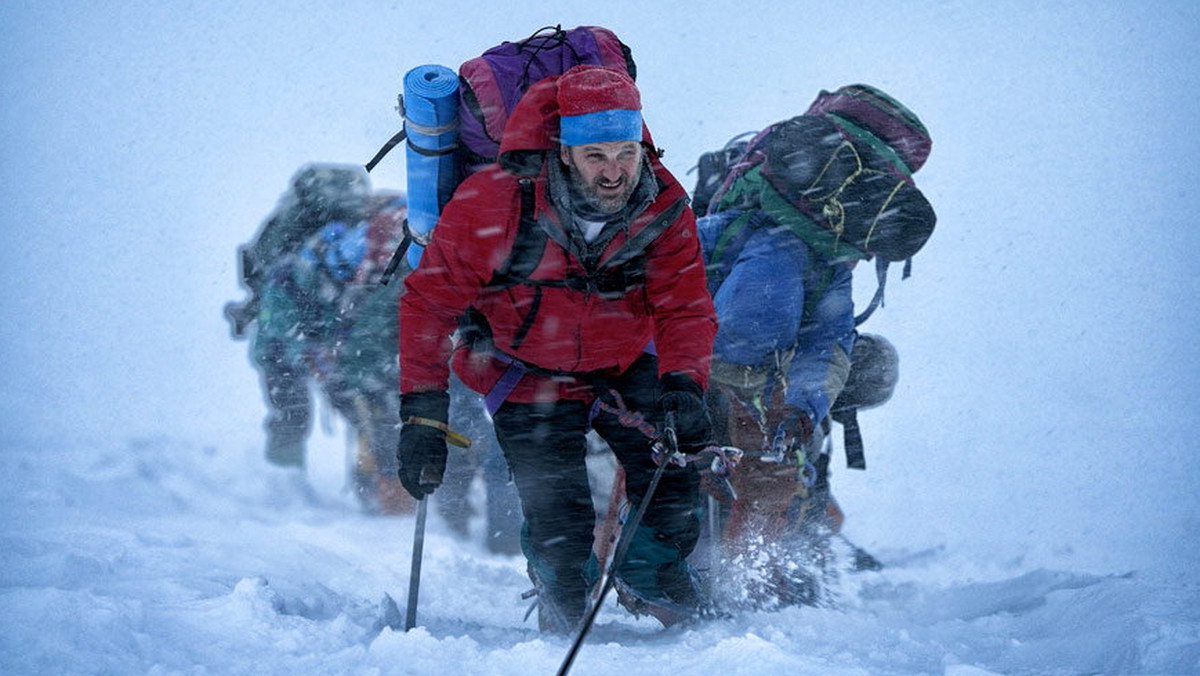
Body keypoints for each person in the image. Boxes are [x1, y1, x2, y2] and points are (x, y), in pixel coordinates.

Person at [396, 65, 718, 632]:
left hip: (623, 363)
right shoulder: (493, 201)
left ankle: (652, 574)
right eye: (596, 155)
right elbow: (428, 305)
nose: (615, 172)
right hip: (522, 372)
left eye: (626, 152)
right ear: (564, 152)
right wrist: (422, 413)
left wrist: (684, 384)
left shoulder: (664, 206)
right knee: (559, 519)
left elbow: (684, 305)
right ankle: (562, 593)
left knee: (673, 467)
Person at [696, 83, 932, 608]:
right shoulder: (828, 264)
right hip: (743, 376)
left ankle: (727, 580)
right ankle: (753, 583)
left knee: (697, 464)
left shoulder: (744, 232)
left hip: (702, 363)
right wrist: (805, 405)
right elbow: (827, 342)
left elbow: (668, 258)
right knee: (770, 477)